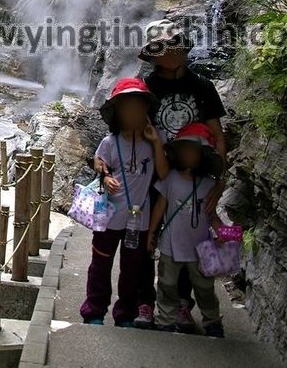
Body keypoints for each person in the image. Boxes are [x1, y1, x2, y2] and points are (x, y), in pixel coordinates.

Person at [139, 18, 227, 331]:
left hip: (195, 175)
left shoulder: (202, 86)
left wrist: (220, 178)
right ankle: (147, 302)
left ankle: (183, 306)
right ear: (153, 54)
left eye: (174, 43)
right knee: (146, 237)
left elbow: (217, 133)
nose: (171, 50)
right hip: (153, 174)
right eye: (162, 46)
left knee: (191, 237)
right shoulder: (147, 86)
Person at [79, 78, 169, 327]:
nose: (133, 113)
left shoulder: (153, 142)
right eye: (127, 108)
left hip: (138, 222)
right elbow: (99, 161)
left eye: (139, 107)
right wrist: (106, 176)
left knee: (132, 271)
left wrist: (156, 143)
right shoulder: (110, 142)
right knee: (100, 265)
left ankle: (125, 314)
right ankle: (94, 311)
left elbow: (163, 174)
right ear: (117, 112)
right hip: (109, 217)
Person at [147, 122, 224, 337]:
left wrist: (223, 233)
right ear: (178, 153)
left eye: (194, 151)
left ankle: (212, 321)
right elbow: (160, 207)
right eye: (186, 150)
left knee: (205, 288)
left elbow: (213, 215)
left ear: (203, 156)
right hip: (171, 244)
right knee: (167, 284)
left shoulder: (209, 185)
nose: (189, 155)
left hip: (200, 248)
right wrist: (151, 233)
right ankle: (165, 319)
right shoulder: (170, 178)